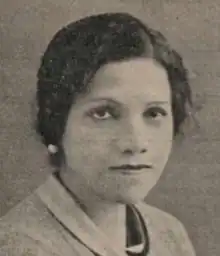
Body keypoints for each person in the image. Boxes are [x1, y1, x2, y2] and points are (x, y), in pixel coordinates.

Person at [0, 12, 196, 256]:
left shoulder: (169, 233)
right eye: (104, 113)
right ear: (56, 125)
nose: (135, 142)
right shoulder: (20, 247)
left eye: (154, 113)